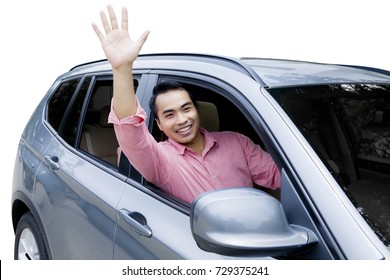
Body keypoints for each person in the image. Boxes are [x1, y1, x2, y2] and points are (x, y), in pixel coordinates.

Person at [92, 5, 280, 203]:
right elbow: (131, 131)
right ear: (159, 125)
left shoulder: (237, 142)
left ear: (197, 111)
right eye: (169, 114)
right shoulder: (162, 159)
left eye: (186, 109)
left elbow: (280, 177)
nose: (182, 120)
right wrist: (122, 69)